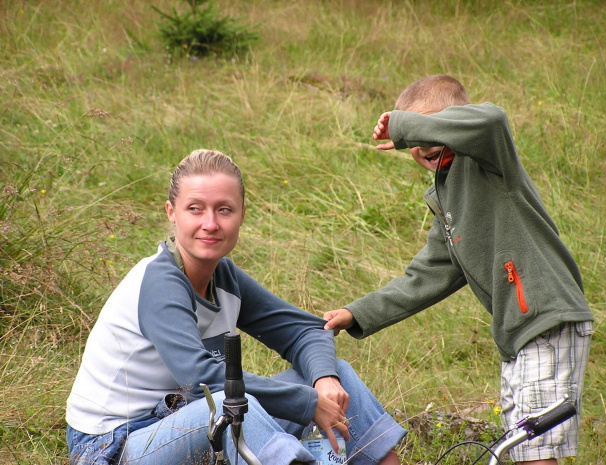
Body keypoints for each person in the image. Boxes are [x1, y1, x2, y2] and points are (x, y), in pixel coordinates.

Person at [66, 149, 406, 465]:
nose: (210, 224)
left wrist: (324, 381)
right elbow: (200, 379)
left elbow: (305, 330)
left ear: (242, 214)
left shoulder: (223, 276)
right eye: (195, 209)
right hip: (113, 446)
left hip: (183, 422)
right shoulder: (160, 282)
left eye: (224, 209)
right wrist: (307, 404)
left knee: (336, 376)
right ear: (172, 213)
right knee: (227, 407)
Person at [323, 75, 594, 465]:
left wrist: (401, 126)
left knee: (535, 449)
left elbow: (491, 119)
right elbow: (427, 274)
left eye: (430, 128)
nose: (420, 143)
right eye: (413, 137)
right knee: (521, 448)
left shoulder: (488, 158)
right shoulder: (446, 197)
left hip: (545, 317)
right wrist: (357, 313)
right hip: (517, 335)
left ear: (458, 123)